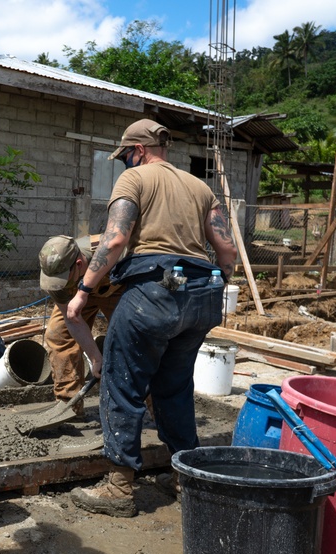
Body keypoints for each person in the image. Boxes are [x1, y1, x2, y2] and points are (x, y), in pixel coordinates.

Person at [67, 119, 237, 518]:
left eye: (126, 155)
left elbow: (115, 239)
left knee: (121, 381)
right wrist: (216, 282)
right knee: (174, 387)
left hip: (154, 292)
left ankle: (119, 486)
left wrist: (83, 291)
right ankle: (182, 476)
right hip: (202, 294)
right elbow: (226, 249)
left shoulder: (135, 180)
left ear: (139, 150)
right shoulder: (200, 187)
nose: (125, 163)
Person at [37, 235, 121, 415]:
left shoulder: (113, 249)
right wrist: (96, 358)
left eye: (62, 279)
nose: (57, 285)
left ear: (79, 263)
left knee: (134, 339)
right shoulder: (55, 275)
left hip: (117, 289)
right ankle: (69, 403)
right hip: (78, 295)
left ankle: (156, 409)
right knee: (58, 334)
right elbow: (71, 318)